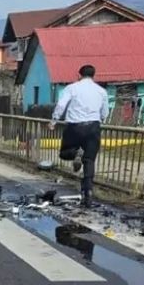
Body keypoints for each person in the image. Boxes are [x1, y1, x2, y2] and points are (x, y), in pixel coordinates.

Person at [49, 64, 109, 207]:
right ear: (94, 75)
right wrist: (102, 120)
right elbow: (105, 111)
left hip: (74, 126)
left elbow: (61, 105)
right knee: (89, 161)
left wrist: (54, 121)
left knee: (64, 153)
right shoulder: (101, 91)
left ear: (79, 74)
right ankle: (87, 192)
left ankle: (76, 153)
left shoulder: (72, 88)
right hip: (93, 127)